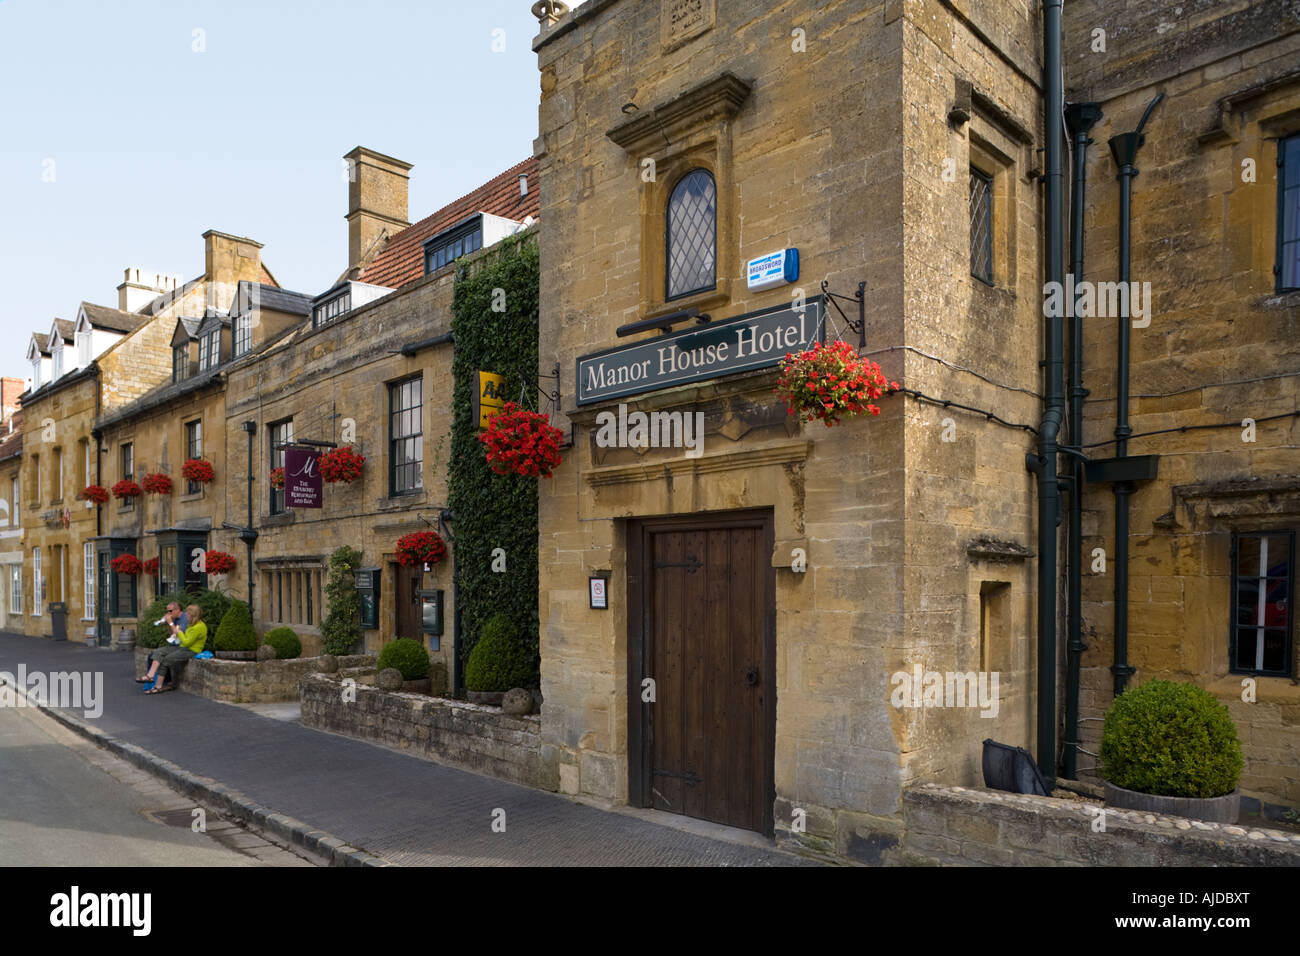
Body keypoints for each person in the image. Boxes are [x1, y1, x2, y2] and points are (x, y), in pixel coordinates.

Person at [145, 605, 206, 694]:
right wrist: (170, 625)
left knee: (167, 659)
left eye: (188, 614)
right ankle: (153, 680)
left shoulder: (199, 627)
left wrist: (179, 632)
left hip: (192, 650)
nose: (186, 615)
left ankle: (159, 686)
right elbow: (180, 637)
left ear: (192, 615)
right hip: (182, 647)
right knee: (160, 652)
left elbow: (186, 642)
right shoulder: (191, 624)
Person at [136, 602, 189, 684]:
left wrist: (171, 623)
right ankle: (160, 680)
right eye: (167, 611)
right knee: (151, 656)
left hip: (184, 646)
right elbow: (172, 635)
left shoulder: (185, 618)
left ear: (177, 610)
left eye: (170, 611)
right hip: (176, 644)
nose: (168, 613)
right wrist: (167, 624)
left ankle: (152, 677)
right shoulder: (175, 618)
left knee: (162, 654)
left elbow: (180, 634)